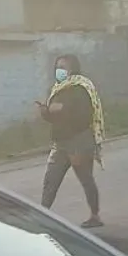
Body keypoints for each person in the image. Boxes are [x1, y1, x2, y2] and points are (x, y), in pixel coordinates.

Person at [36, 54, 106, 229]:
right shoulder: (58, 89)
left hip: (79, 141)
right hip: (60, 142)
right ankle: (42, 214)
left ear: (73, 68)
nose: (60, 71)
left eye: (63, 67)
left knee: (85, 178)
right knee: (51, 179)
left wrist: (62, 109)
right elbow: (53, 117)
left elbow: (84, 116)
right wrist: (46, 111)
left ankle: (95, 216)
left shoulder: (81, 88)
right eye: (58, 67)